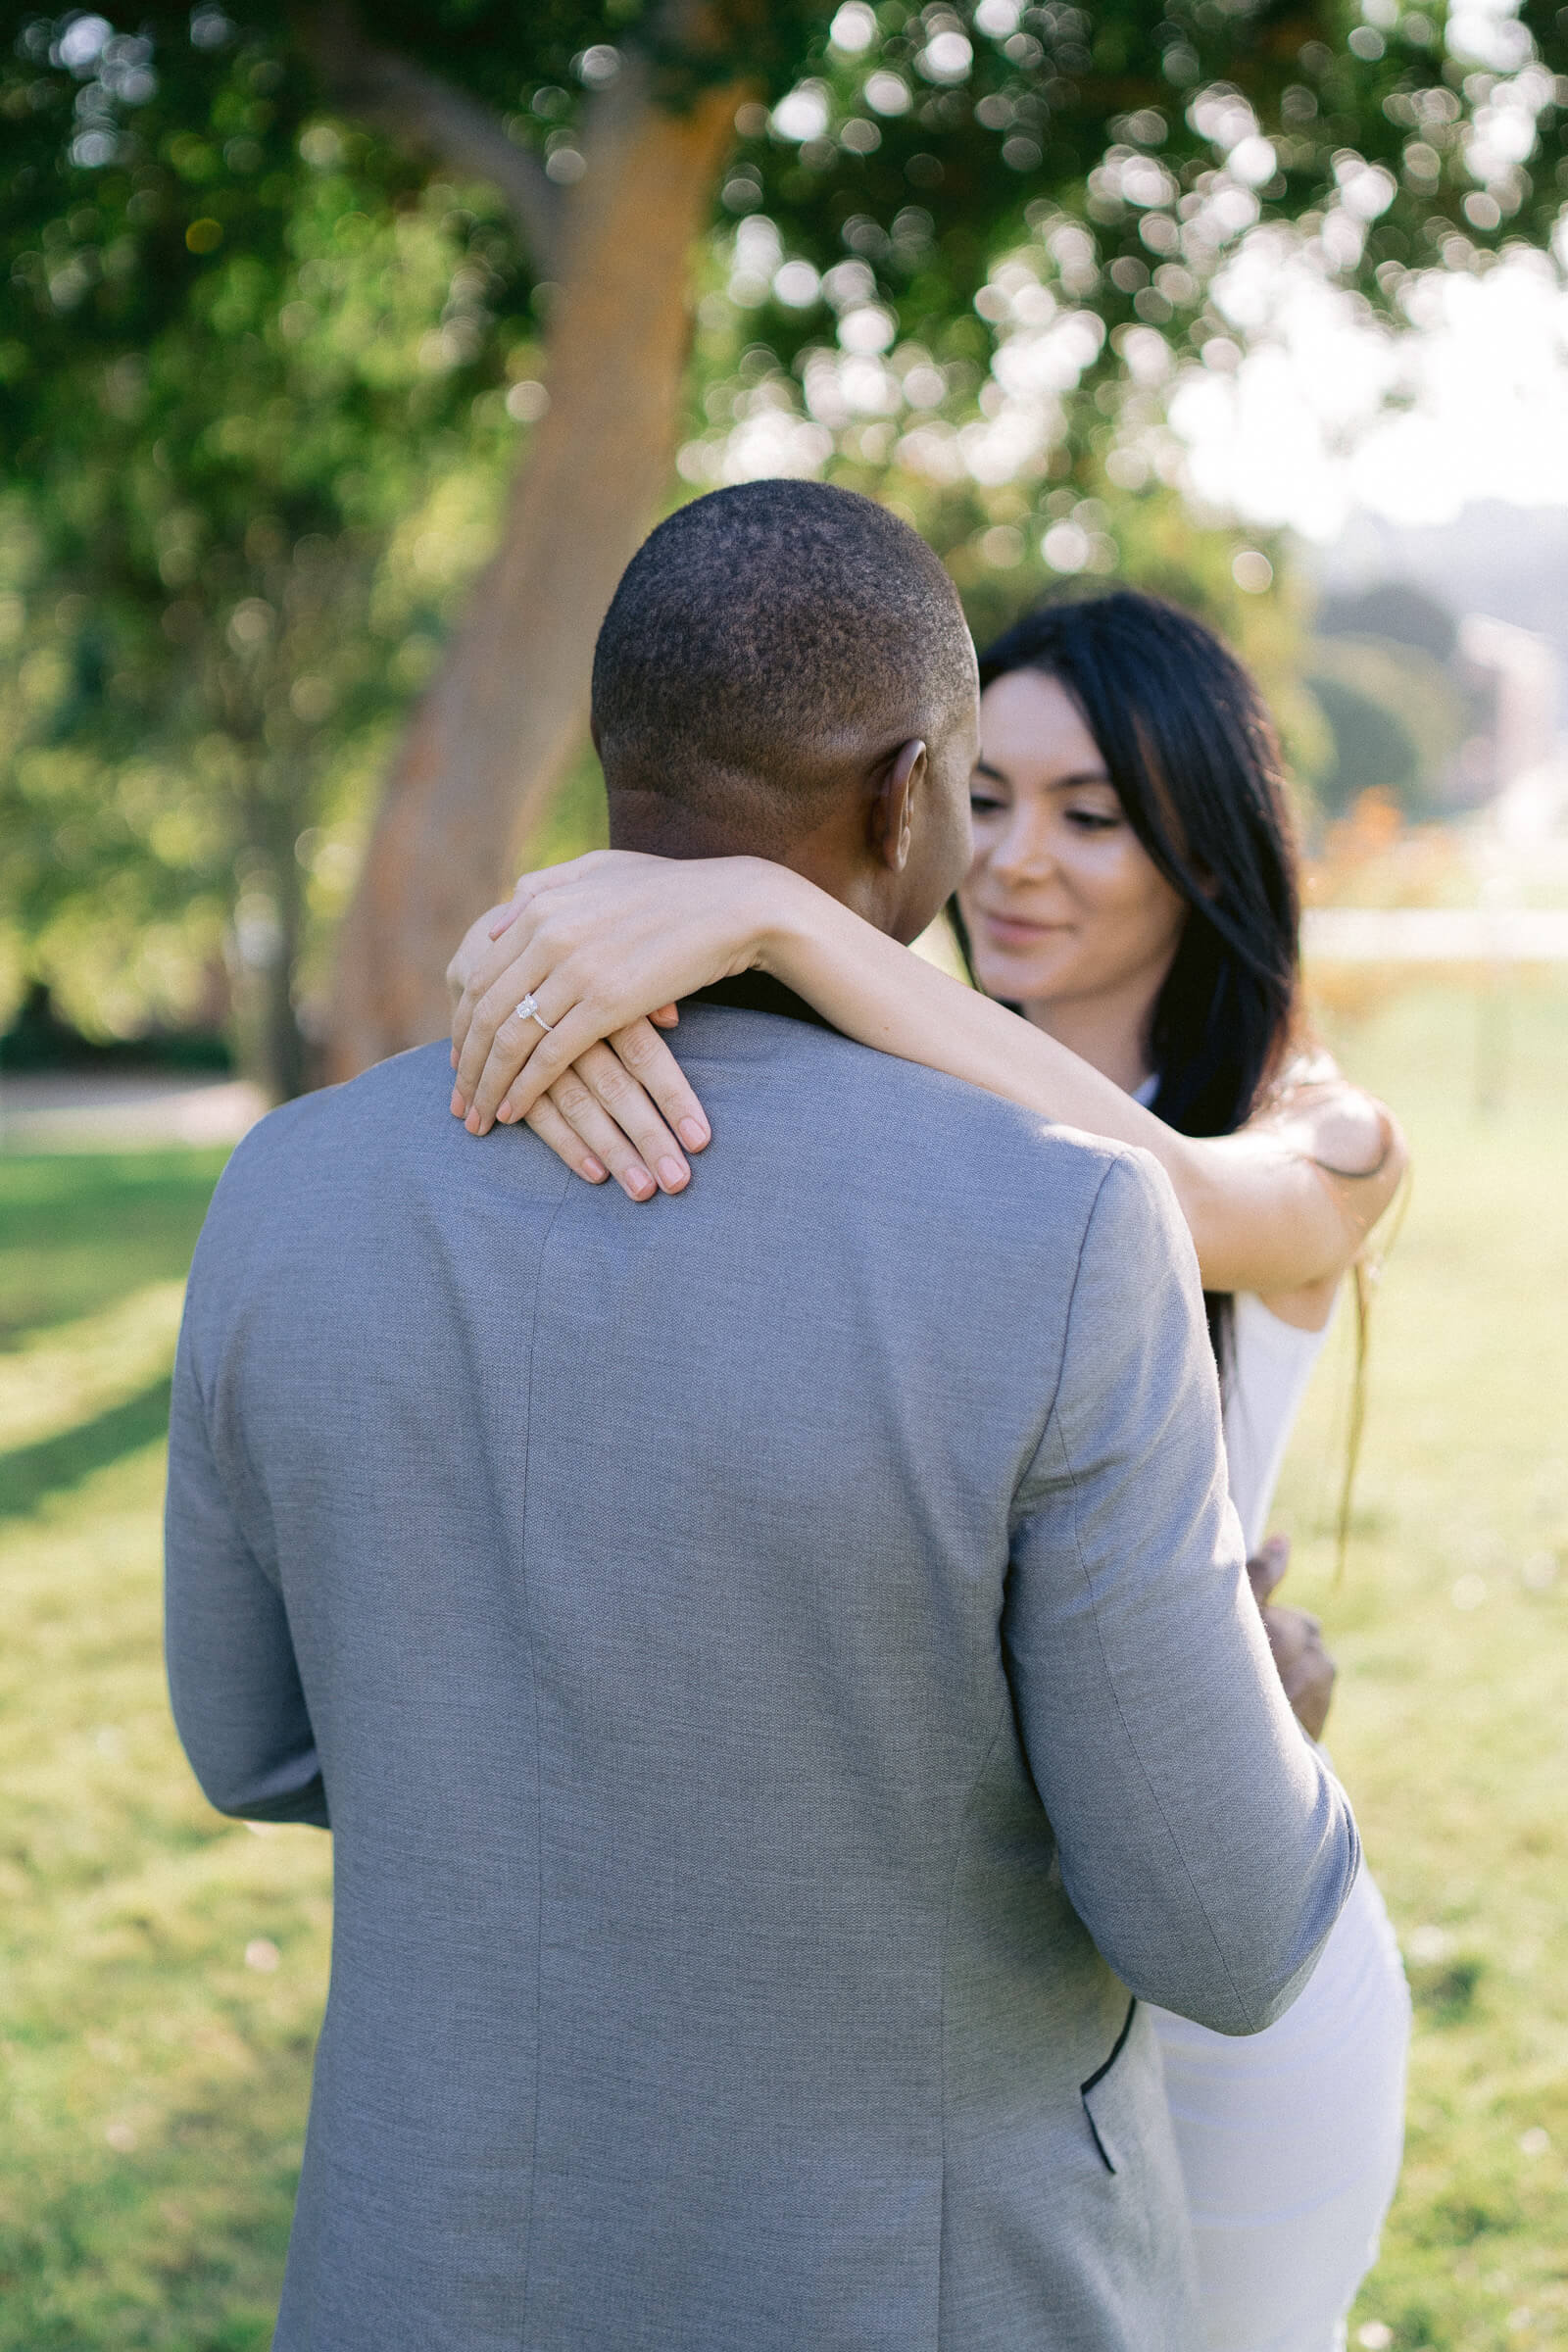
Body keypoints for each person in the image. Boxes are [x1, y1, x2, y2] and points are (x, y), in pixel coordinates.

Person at [167, 481, 1359, 2352]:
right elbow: (1226, 1923)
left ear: (614, 761)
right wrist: (1260, 1717)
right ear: (908, 799)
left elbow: (250, 1743)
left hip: (422, 2268)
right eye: (980, 794)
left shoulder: (286, 1194)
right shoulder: (1060, 1225)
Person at [448, 578, 1412, 2351]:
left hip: (1238, 1982)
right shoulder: (856, 1107)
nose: (1015, 859)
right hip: (949, 1989)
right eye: (988, 797)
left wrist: (769, 908)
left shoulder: (1323, 1138)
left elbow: (1169, 1209)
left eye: (1094, 814)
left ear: (1205, 845)